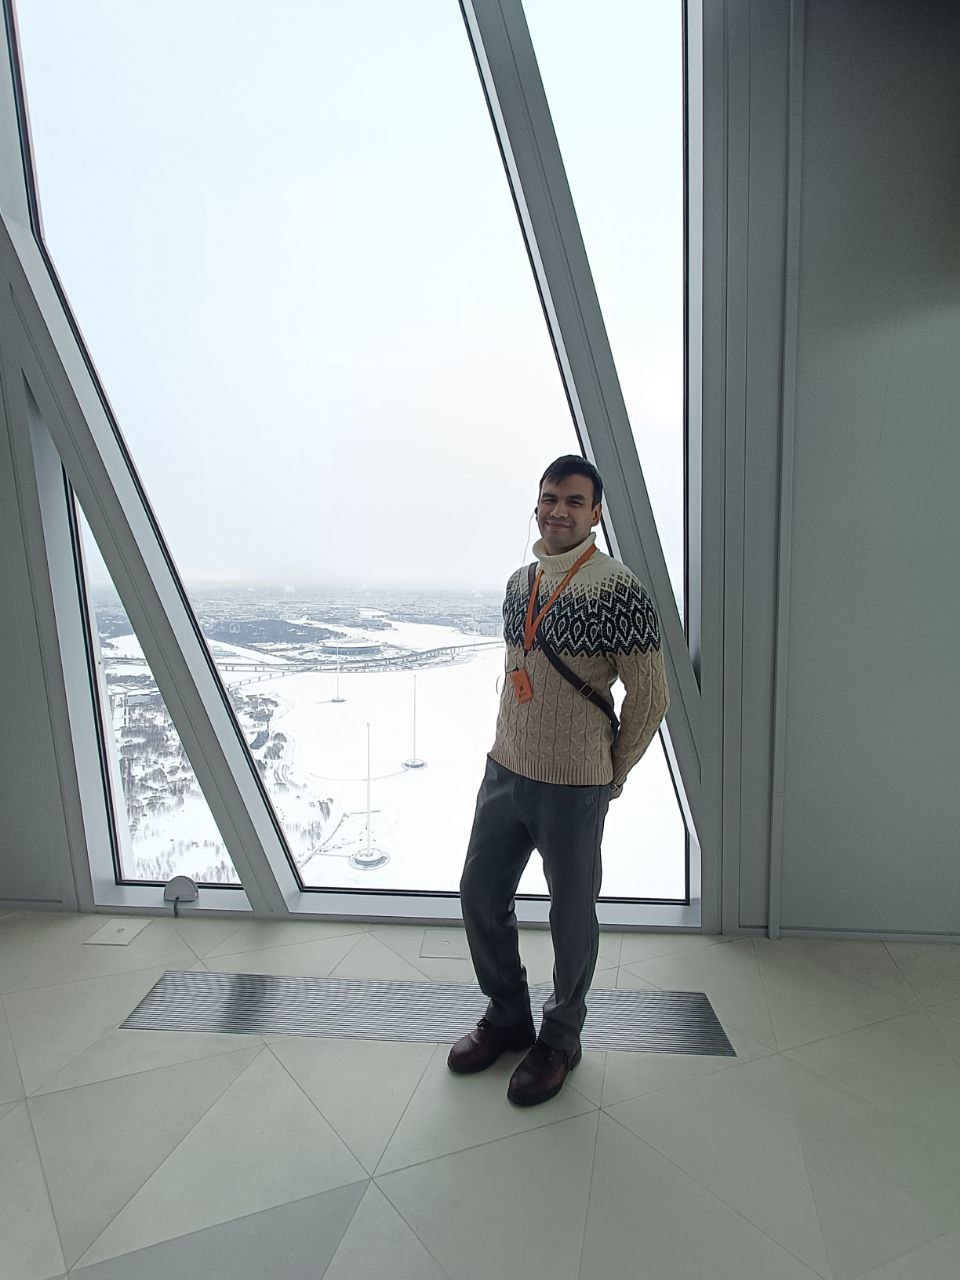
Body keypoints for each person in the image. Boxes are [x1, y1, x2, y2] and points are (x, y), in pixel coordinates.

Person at [448, 455, 670, 1106]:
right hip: (505, 769)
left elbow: (650, 697)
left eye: (575, 501)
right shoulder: (519, 583)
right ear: (537, 504)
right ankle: (508, 1017)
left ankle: (561, 1038)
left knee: (571, 916)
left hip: (574, 785)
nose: (559, 510)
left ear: (596, 513)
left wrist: (611, 772)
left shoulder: (619, 589)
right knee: (479, 893)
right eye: (550, 498)